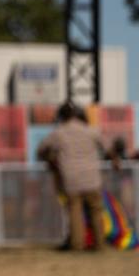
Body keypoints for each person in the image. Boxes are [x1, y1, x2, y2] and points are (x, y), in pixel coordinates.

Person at [37, 102, 109, 251]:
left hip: (71, 180)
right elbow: (107, 148)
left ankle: (77, 245)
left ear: (61, 116)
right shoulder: (91, 131)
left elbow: (41, 149)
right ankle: (100, 245)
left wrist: (49, 158)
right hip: (92, 179)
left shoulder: (59, 133)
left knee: (75, 213)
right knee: (96, 211)